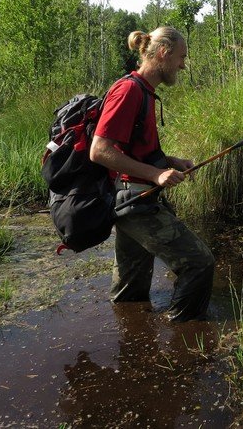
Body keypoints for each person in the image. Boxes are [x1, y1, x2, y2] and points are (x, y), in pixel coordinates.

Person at [89, 26, 214, 322]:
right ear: (163, 53)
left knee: (130, 292)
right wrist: (155, 175)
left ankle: (131, 339)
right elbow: (100, 151)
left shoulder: (145, 91)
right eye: (181, 57)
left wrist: (169, 161)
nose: (183, 65)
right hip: (134, 203)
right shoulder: (129, 90)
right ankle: (183, 335)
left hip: (133, 201)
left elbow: (133, 148)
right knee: (199, 263)